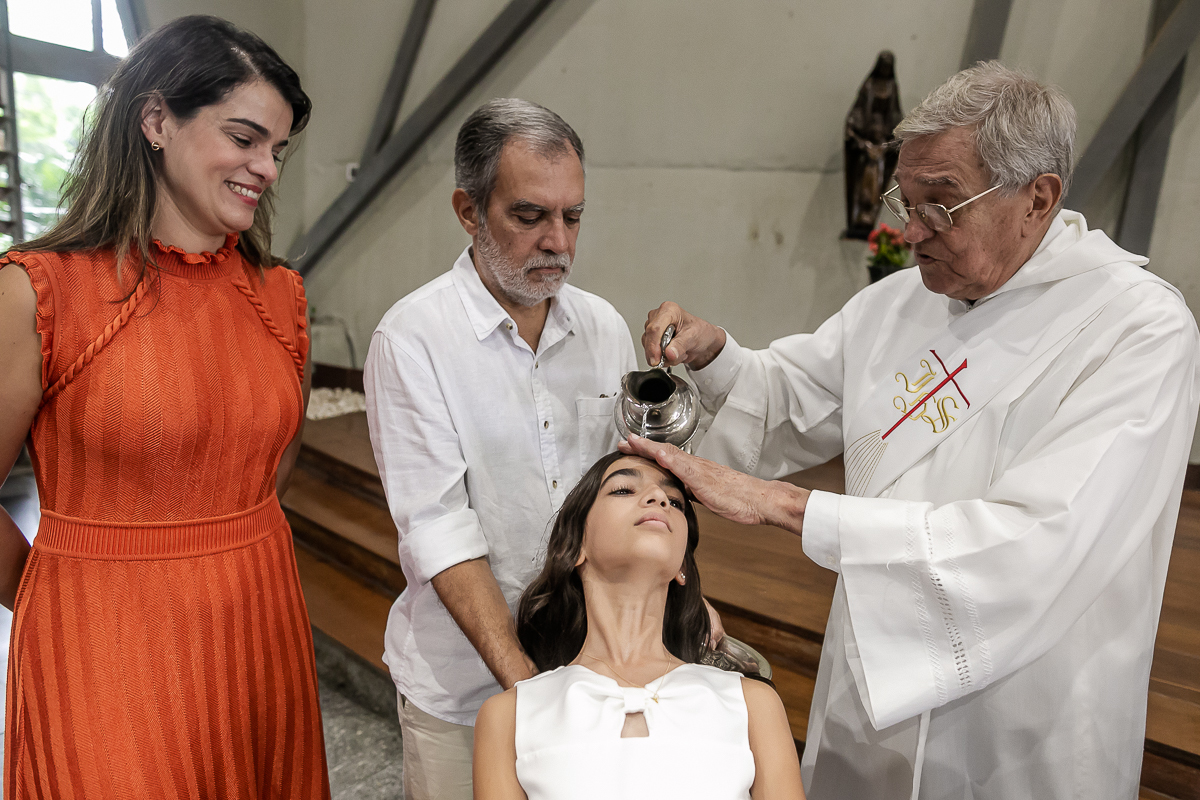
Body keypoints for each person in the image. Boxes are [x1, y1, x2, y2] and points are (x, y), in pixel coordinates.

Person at [623, 61, 1200, 800]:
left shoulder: (1135, 327)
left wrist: (784, 506)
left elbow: (1037, 542)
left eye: (942, 204)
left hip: (1020, 715)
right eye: (906, 197)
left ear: (1039, 198)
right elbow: (796, 396)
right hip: (872, 681)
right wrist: (719, 356)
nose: (909, 229)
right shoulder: (899, 302)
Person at [0, 16, 328, 799]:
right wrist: (61, 587)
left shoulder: (280, 296)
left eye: (277, 150)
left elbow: (271, 466)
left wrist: (216, 555)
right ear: (155, 121)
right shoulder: (42, 292)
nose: (267, 169)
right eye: (245, 138)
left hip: (259, 631)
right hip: (101, 645)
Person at [363, 98, 638, 800]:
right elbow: (438, 527)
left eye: (572, 216)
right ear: (468, 210)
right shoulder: (414, 339)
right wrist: (526, 684)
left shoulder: (603, 327)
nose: (558, 242)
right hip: (466, 689)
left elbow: (629, 489)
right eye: (529, 216)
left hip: (591, 672)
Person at [474, 452, 804, 800]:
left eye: (674, 502)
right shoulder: (509, 717)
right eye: (623, 490)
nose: (659, 499)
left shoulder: (752, 704)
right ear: (576, 548)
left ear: (682, 568)